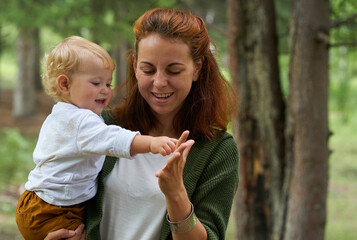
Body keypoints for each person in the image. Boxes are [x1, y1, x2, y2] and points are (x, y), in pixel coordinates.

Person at [47, 7, 240, 240]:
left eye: (174, 70)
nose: (159, 82)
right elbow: (57, 186)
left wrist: (176, 194)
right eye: (148, 69)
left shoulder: (217, 150)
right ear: (136, 66)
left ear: (197, 68)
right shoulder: (104, 126)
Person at [15, 36, 178, 240]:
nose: (105, 91)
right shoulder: (81, 121)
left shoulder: (60, 114)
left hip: (39, 203)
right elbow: (114, 139)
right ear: (65, 84)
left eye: (108, 84)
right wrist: (152, 143)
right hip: (54, 211)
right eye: (96, 83)